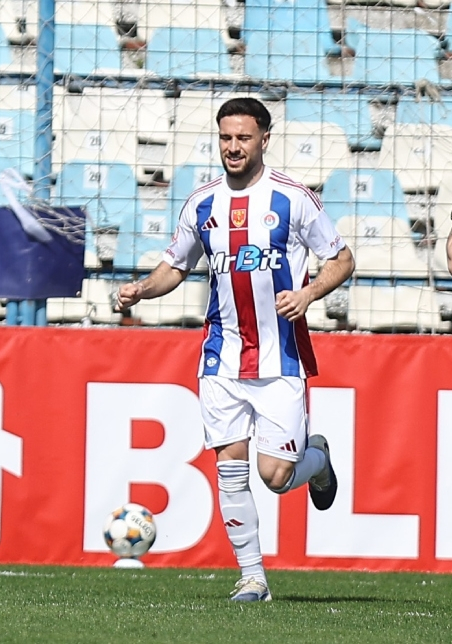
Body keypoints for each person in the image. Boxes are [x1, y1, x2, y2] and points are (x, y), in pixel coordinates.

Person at [116, 97, 355, 602]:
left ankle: (318, 459)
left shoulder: (293, 199)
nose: (233, 147)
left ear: (264, 139)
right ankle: (253, 577)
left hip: (279, 360)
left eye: (243, 138)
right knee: (230, 467)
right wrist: (142, 288)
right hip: (221, 357)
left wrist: (309, 293)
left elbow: (341, 258)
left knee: (275, 476)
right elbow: (175, 266)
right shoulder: (202, 204)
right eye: (226, 138)